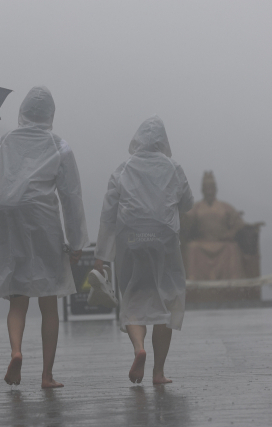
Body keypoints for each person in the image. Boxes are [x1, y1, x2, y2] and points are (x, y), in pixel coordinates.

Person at [0, 86, 89, 389]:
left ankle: (16, 351)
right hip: (43, 221)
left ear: (22, 112)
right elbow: (71, 196)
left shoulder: (2, 143)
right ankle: (47, 375)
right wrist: (77, 243)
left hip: (8, 223)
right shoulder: (59, 146)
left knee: (17, 298)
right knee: (48, 301)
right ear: (50, 115)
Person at [92, 116, 194, 384]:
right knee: (166, 299)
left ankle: (139, 348)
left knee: (133, 296)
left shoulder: (123, 169)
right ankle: (158, 373)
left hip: (132, 239)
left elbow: (108, 213)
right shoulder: (174, 167)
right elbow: (187, 203)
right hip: (164, 240)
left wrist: (101, 256)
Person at [181, 171, 246, 281]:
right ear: (203, 189)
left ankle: (234, 283)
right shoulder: (196, 207)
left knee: (232, 248)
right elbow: (187, 221)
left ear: (215, 189)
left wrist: (230, 233)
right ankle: (193, 281)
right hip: (202, 242)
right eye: (207, 187)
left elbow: (239, 223)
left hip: (222, 243)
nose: (209, 190)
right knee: (192, 248)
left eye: (211, 187)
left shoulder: (225, 207)